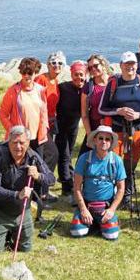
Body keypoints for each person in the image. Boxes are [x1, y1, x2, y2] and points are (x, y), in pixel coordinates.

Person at [98, 52, 140, 210]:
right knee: (114, 163)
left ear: (137, 65)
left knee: (131, 164)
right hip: (117, 130)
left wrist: (139, 114)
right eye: (127, 64)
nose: (130, 67)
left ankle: (127, 195)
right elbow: (102, 108)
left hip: (137, 130)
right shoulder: (113, 83)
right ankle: (112, 194)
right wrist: (119, 111)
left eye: (133, 64)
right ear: (121, 65)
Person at [0, 126, 53, 253]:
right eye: (14, 142)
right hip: (0, 211)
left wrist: (38, 176)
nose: (18, 147)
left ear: (28, 143)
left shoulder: (33, 157)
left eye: (22, 143)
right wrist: (17, 194)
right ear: (8, 142)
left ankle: (12, 234)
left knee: (26, 249)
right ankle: (2, 233)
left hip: (23, 211)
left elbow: (51, 179)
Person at [70, 126, 126, 240]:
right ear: (95, 140)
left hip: (106, 207)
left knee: (112, 235)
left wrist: (111, 210)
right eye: (100, 138)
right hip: (87, 205)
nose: (104, 142)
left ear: (111, 142)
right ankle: (91, 221)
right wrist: (83, 209)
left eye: (107, 139)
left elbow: (121, 188)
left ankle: (100, 223)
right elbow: (76, 187)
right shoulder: (84, 159)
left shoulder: (117, 160)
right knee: (77, 232)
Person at [0, 58, 48, 148]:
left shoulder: (40, 90)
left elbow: (44, 113)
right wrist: (13, 130)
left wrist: (44, 128)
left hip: (37, 138)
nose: (26, 76)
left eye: (30, 73)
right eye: (23, 73)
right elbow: (3, 114)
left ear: (35, 73)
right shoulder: (13, 91)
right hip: (19, 139)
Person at [55, 61, 87, 197]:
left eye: (81, 75)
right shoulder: (63, 87)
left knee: (69, 152)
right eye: (75, 75)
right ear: (71, 74)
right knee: (64, 155)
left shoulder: (86, 89)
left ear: (85, 75)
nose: (78, 78)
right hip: (61, 125)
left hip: (74, 125)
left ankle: (70, 179)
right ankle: (66, 185)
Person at [78, 54, 111, 155]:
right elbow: (84, 114)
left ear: (103, 64)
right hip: (95, 129)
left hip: (113, 129)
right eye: (90, 67)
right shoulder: (88, 87)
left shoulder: (114, 82)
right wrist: (89, 135)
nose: (93, 69)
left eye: (96, 65)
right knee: (84, 161)